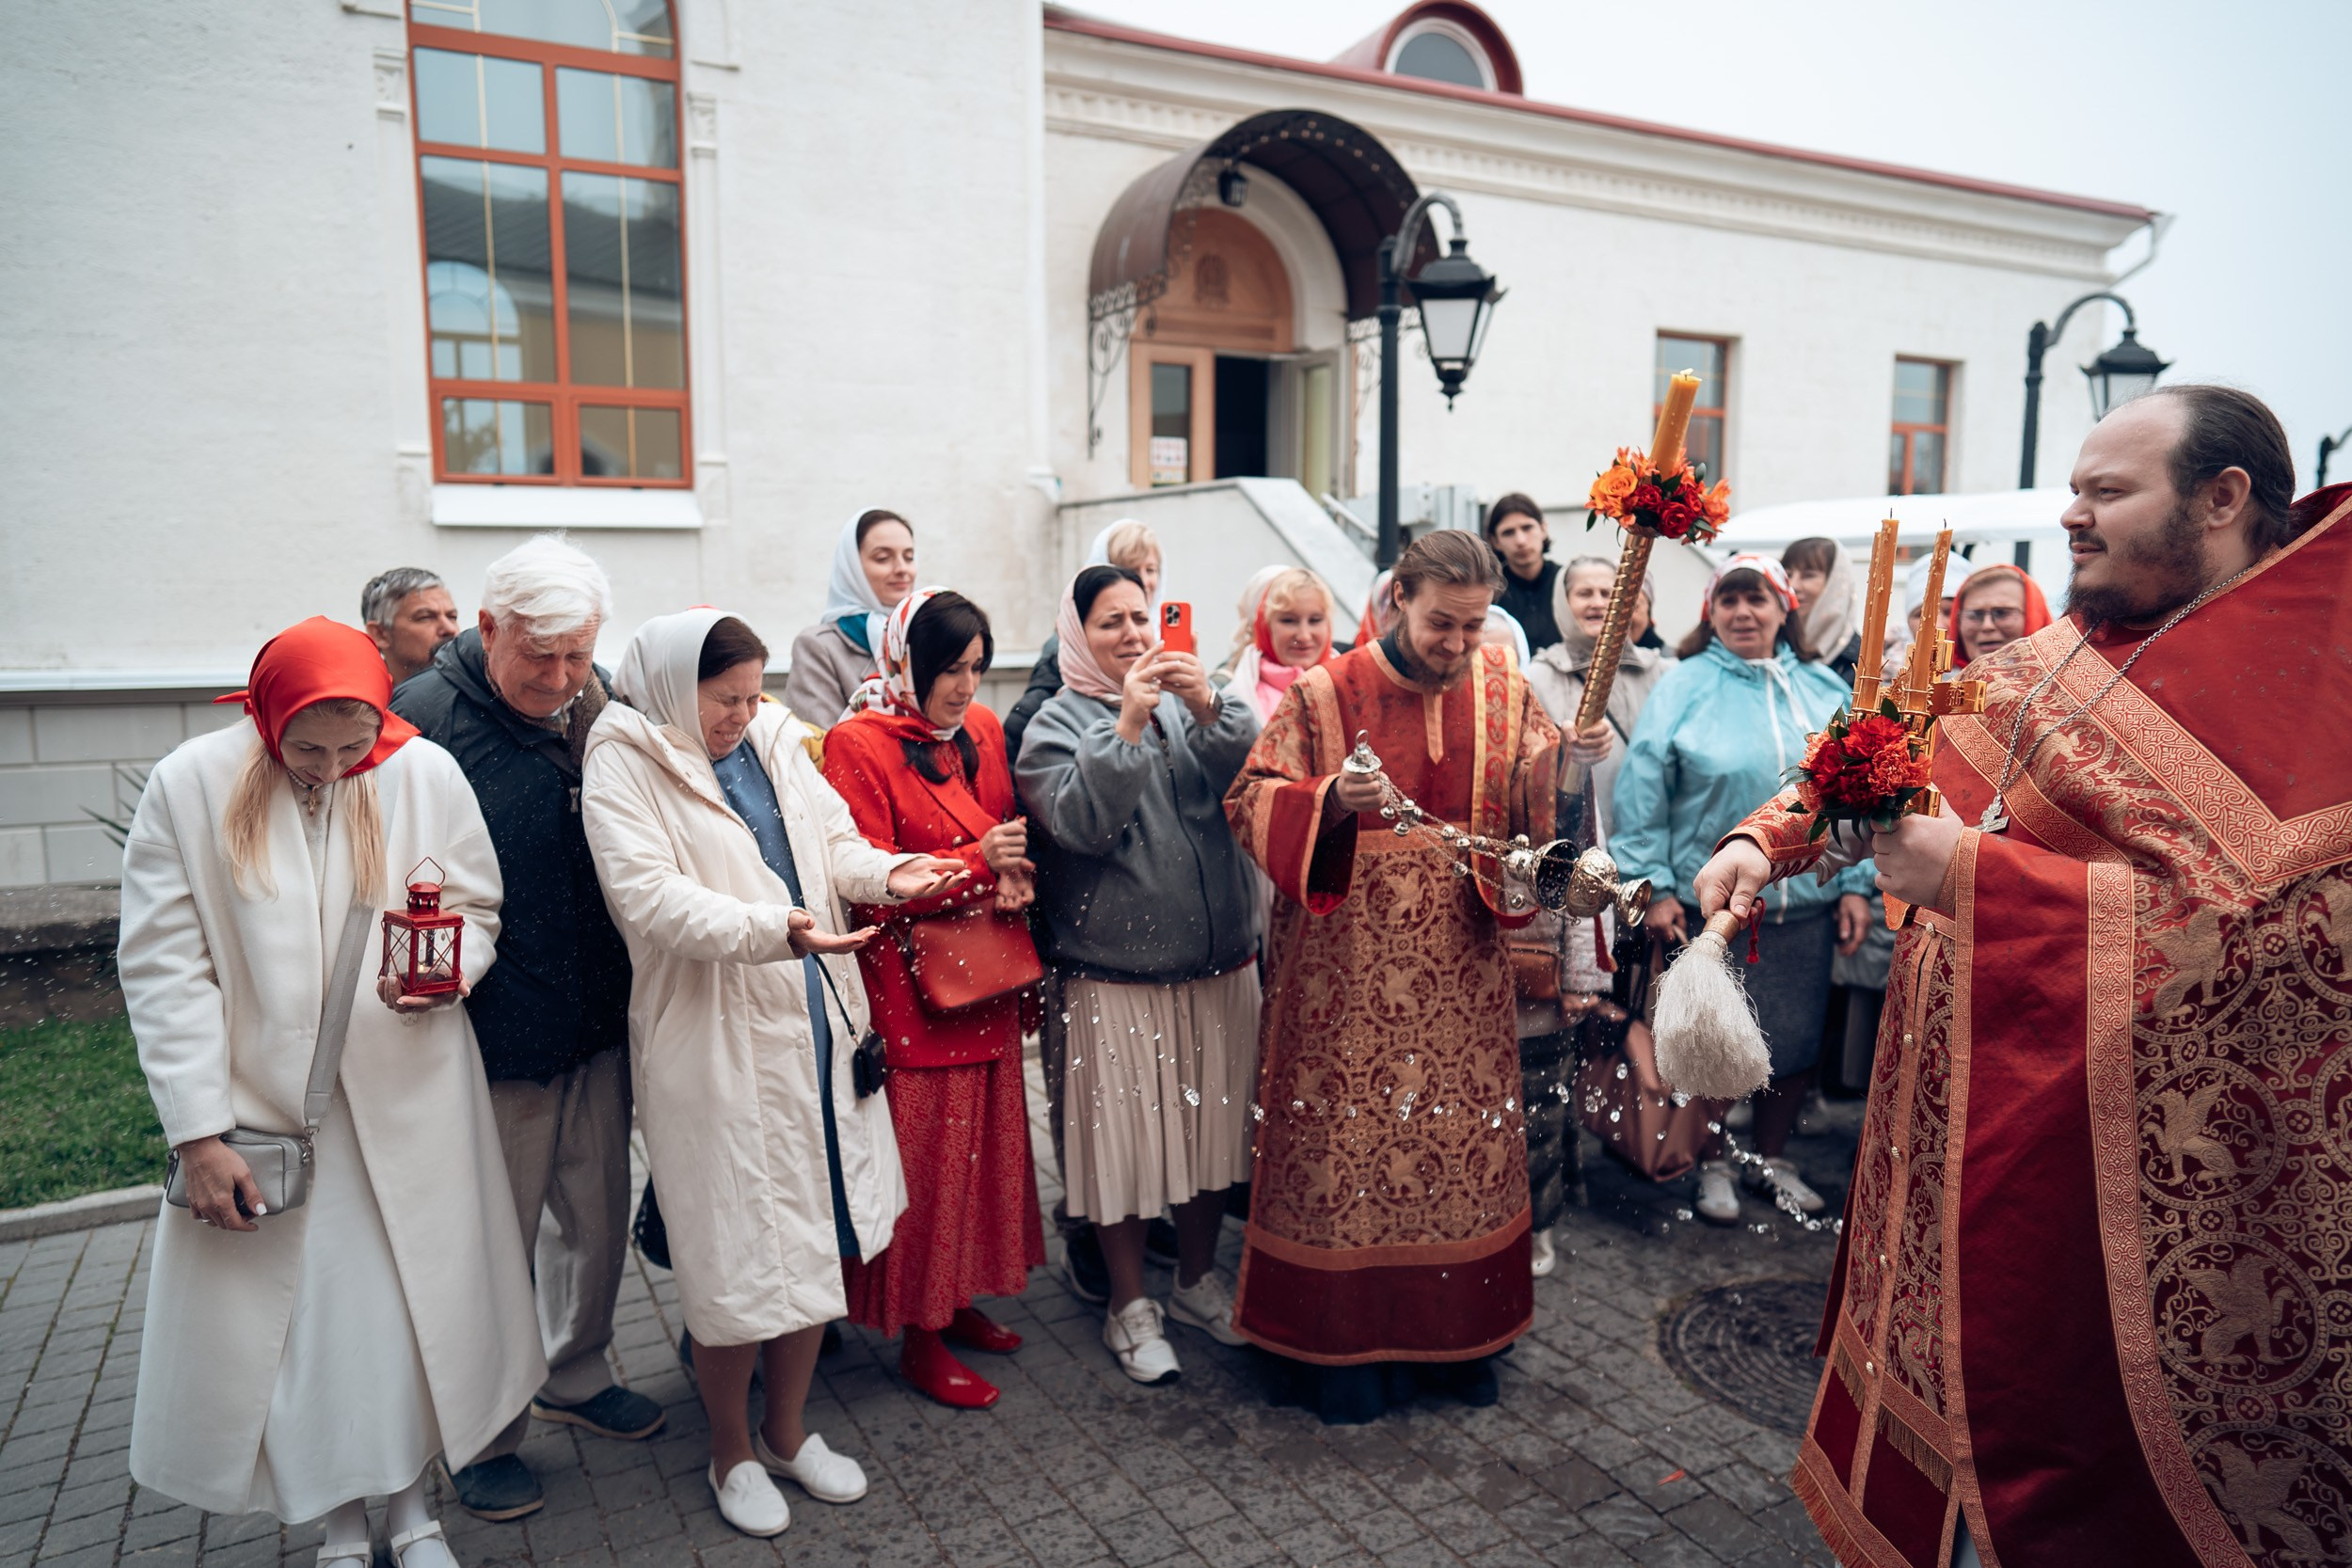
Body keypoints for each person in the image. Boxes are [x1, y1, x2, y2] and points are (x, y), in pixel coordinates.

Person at [1692, 386, 2349, 1568]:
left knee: (2055, 1432)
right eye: (2074, 490)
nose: (2071, 516)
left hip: (2106, 1171)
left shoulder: (2316, 676)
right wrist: (1765, 838)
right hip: (1948, 1118)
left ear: (2221, 497)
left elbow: (2283, 946)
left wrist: (1976, 878)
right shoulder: (2067, 650)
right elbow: (1884, 752)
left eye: (2107, 492)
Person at [120, 618, 543, 1568]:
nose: (330, 768)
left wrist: (448, 975)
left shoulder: (421, 771)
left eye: (354, 747)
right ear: (266, 715)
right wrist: (197, 1131)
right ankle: (338, 1520)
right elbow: (164, 967)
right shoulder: (191, 783)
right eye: (306, 748)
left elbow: (475, 905)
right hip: (266, 1116)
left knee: (410, 1318)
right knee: (309, 1333)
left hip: (409, 1097)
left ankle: (414, 1510)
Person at [582, 610, 967, 1538]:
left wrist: (894, 874)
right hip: (712, 1038)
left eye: (756, 694)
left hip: (813, 1020)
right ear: (675, 687)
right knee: (735, 1256)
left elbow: (832, 843)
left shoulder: (771, 739)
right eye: (727, 698)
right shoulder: (623, 760)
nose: (744, 714)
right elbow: (647, 897)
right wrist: (774, 928)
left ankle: (788, 1430)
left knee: (811, 1237)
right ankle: (731, 1449)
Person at [1225, 529, 1561, 1423]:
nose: (1458, 643)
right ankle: (1338, 1351)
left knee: (1459, 1150)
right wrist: (1329, 799)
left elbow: (1537, 811)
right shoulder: (1323, 692)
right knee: (1349, 1160)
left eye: (1474, 625)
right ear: (1398, 599)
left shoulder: (1506, 685)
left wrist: (1568, 762)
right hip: (1343, 989)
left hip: (1462, 981)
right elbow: (1249, 798)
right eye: (1442, 622)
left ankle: (1461, 1339)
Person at [388, 537, 656, 1521]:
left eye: (577, 653)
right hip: (488, 1032)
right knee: (489, 1241)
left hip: (595, 1013)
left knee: (594, 1211)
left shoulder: (599, 696)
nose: (560, 677)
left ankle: (575, 1373)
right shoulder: (421, 722)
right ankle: (481, 1431)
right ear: (486, 627)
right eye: (540, 655)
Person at [1015, 563, 1263, 1386]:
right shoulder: (1053, 723)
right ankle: (1128, 1303)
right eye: (1110, 621)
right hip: (1111, 976)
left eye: (1140, 616)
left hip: (1219, 966)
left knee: (1208, 1141)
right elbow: (1082, 825)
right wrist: (1125, 726)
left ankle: (1192, 1281)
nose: (1132, 633)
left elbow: (1255, 776)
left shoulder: (1195, 700)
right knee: (1117, 1152)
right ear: (1076, 633)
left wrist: (1207, 706)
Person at [819, 589, 1046, 1411]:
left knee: (984, 1151)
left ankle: (957, 1298)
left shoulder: (980, 727)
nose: (966, 686)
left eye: (977, 667)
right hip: (912, 988)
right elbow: (864, 884)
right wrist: (983, 863)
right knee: (929, 1166)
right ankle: (919, 1331)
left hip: (984, 967)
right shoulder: (857, 739)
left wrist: (1013, 876)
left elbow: (1002, 827)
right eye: (948, 668)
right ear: (900, 659)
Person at [1611, 554, 1871, 1226]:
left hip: (1807, 902)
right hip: (1712, 907)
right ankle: (1714, 1161)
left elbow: (1859, 793)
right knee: (1711, 1041)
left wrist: (1855, 885)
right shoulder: (1683, 685)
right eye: (1728, 600)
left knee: (1796, 1040)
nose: (1743, 612)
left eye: (1757, 598)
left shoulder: (1822, 686)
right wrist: (1655, 887)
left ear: (1786, 607)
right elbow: (1643, 792)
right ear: (1710, 613)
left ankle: (1772, 1159)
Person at [1523, 557, 1671, 1253]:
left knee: (1625, 1021)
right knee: (1568, 1019)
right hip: (1569, 866)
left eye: (1611, 591)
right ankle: (1558, 1170)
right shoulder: (1536, 674)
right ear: (1562, 602)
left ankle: (1620, 1140)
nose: (1597, 601)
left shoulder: (1664, 674)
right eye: (1582, 590)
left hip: (1642, 871)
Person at [1003, 518, 1161, 760]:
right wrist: (1126, 733)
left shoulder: (1167, 689)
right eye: (1129, 569)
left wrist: (1205, 708)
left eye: (1150, 569)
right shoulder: (1065, 661)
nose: (1144, 581)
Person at [785, 510, 918, 724]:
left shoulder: (927, 633)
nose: (902, 569)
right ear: (851, 567)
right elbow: (822, 738)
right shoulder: (819, 647)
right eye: (883, 558)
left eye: (909, 557)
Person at [1218, 564, 1342, 725]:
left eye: (1315, 620)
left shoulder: (1351, 686)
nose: (1304, 636)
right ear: (1265, 626)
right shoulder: (1233, 699)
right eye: (1288, 621)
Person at [1485, 493, 1563, 653]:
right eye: (1508, 532)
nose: (1520, 541)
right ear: (1495, 541)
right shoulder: (1489, 590)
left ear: (1543, 529)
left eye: (1527, 528)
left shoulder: (1566, 582)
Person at [1883, 552, 1976, 683]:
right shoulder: (1879, 678)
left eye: (1949, 612)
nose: (1937, 626)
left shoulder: (1992, 675)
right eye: (1922, 615)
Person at [1780, 537, 1863, 682]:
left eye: (1808, 575)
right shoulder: (1766, 647)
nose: (1793, 585)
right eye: (1788, 575)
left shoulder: (1861, 665)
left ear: (1836, 584)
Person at [362, 567, 461, 689]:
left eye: (452, 617)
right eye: (425, 617)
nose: (450, 629)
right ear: (380, 634)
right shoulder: (361, 698)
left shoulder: (479, 691)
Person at [1947, 561, 2053, 666]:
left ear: (2035, 618)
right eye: (1974, 615)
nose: (1987, 626)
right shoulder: (1940, 676)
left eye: (2002, 613)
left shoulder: (2059, 676)